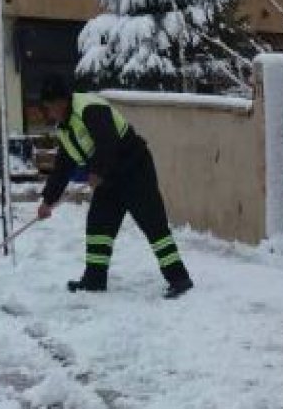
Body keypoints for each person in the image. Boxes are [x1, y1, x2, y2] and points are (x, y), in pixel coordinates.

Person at [35, 75, 194, 299]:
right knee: (99, 227)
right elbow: (63, 167)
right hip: (108, 179)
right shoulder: (65, 128)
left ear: (61, 102)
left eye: (49, 107)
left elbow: (107, 141)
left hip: (134, 169)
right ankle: (94, 280)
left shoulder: (89, 108)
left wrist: (97, 171)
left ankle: (179, 279)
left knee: (153, 224)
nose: (48, 113)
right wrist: (48, 201)